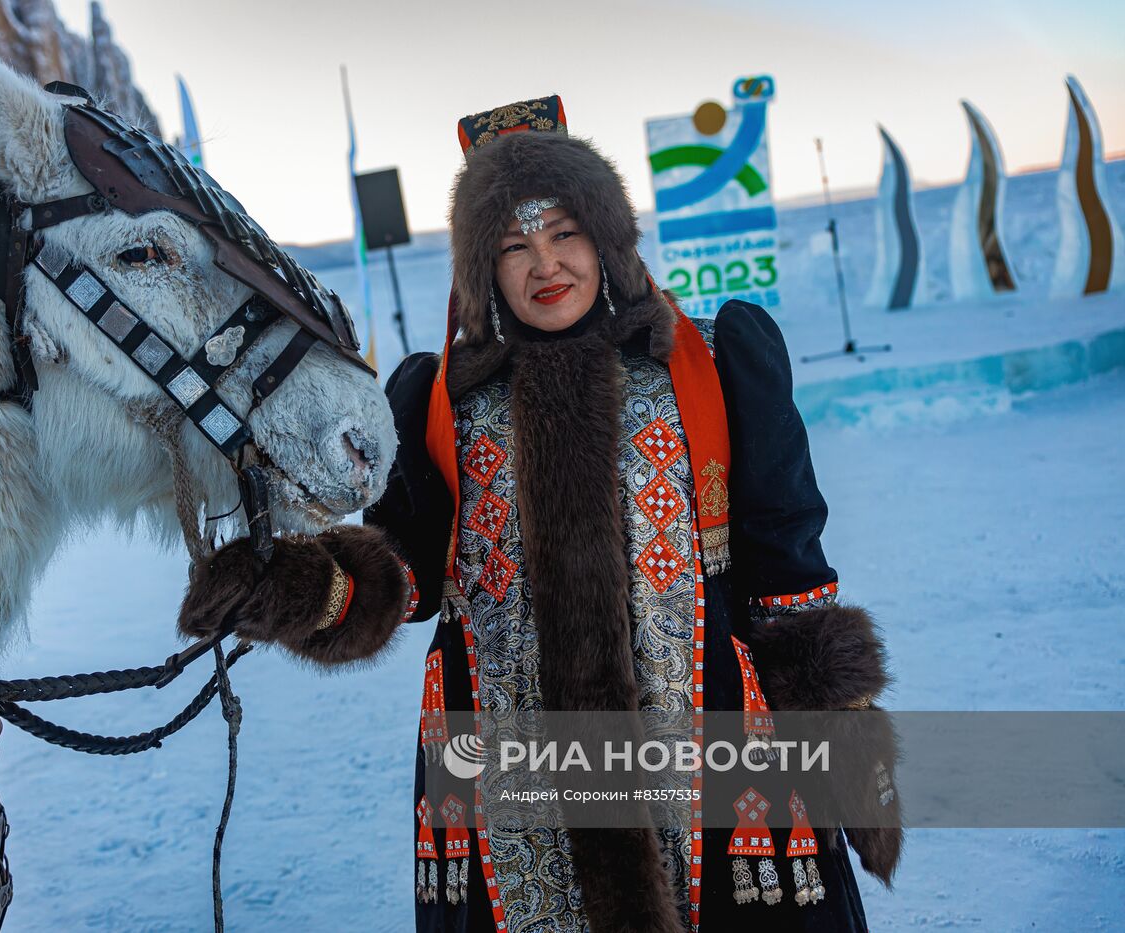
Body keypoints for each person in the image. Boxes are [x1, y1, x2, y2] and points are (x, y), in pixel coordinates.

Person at [180, 97, 902, 933]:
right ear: (480, 268)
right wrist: (294, 585)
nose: (544, 264)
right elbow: (404, 573)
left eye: (564, 233)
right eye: (512, 246)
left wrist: (851, 747)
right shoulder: (437, 399)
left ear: (607, 236)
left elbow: (788, 566)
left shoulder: (713, 360)